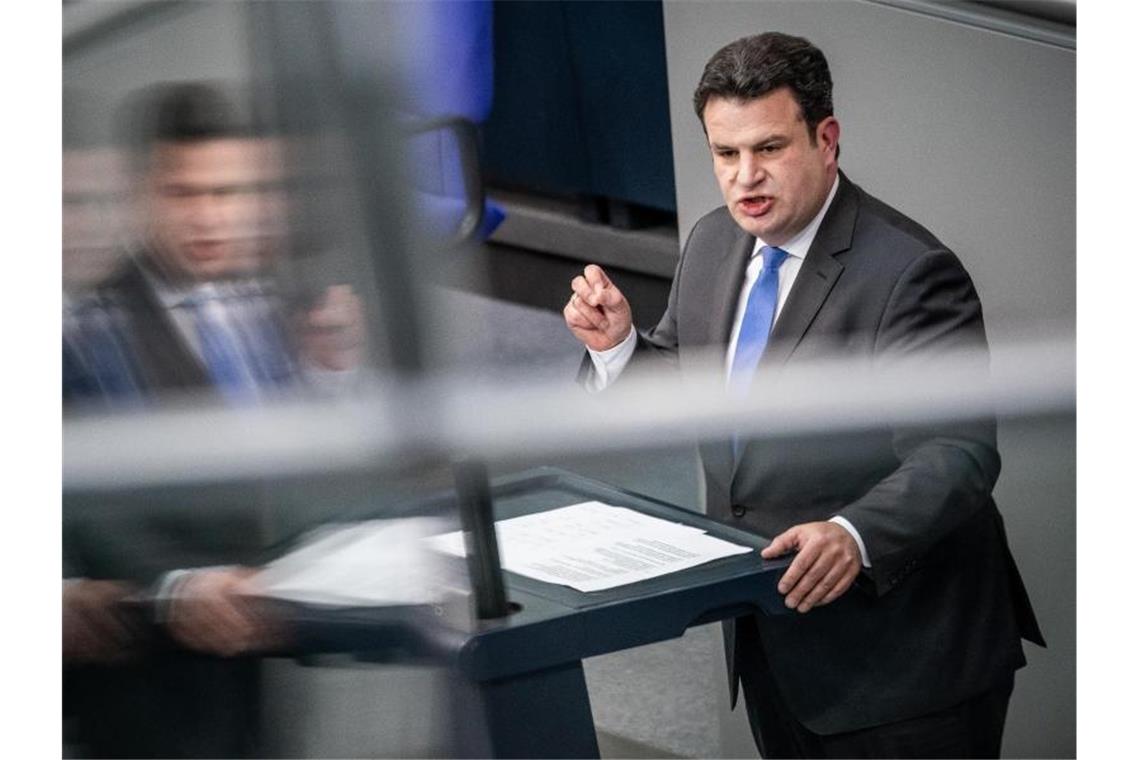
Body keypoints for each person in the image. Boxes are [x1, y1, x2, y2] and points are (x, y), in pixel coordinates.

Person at [563, 32, 1043, 758]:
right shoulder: (713, 245)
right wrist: (618, 349)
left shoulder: (910, 273)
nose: (744, 178)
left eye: (769, 149)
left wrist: (853, 534)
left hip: (906, 669)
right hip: (774, 642)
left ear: (826, 139)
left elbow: (959, 454)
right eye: (725, 154)